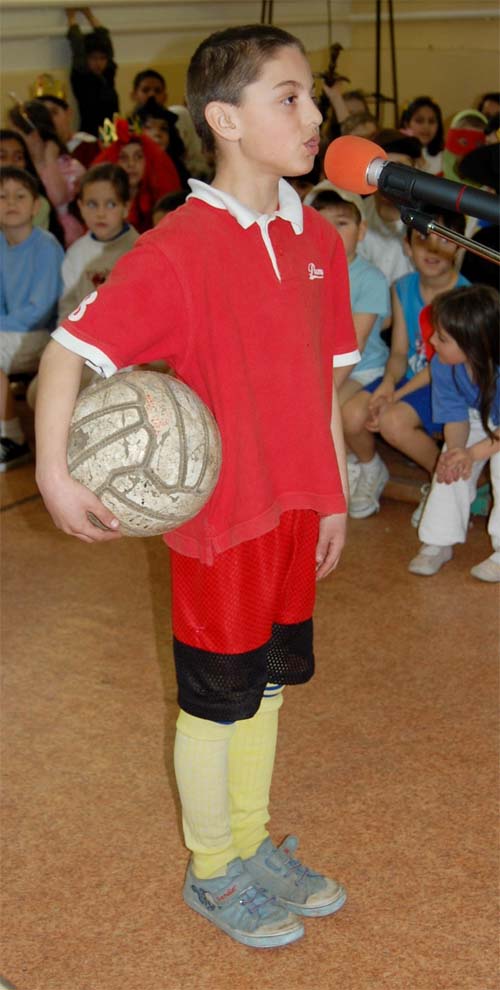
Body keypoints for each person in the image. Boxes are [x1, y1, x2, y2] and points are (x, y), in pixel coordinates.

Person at [35, 24, 359, 949]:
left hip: (297, 510)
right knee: (216, 703)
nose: (313, 113)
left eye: (312, 95)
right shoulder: (180, 248)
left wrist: (334, 495)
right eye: (288, 97)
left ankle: (251, 844)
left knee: (268, 690)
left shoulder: (319, 239)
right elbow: (67, 353)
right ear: (225, 118)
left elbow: (323, 387)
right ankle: (213, 868)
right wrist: (53, 474)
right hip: (222, 526)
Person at [343, 212, 469, 520]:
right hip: (409, 378)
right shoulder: (403, 287)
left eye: (444, 240)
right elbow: (399, 351)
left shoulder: (464, 296)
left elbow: (443, 364)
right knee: (350, 413)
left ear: (460, 247)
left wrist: (395, 396)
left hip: (448, 383)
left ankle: (443, 482)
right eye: (423, 239)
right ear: (407, 246)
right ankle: (371, 467)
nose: (433, 249)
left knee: (392, 422)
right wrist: (388, 384)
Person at [408, 284, 500, 582]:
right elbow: (455, 417)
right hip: (481, 414)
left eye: (442, 338)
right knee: (450, 461)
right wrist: (459, 452)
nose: (432, 341)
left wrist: (473, 453)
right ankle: (438, 541)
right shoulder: (443, 364)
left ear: (474, 344)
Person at [309, 185, 390, 492]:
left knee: (339, 417)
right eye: (321, 223)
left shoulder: (370, 278)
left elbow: (354, 345)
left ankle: (369, 465)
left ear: (362, 230)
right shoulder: (308, 272)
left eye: (341, 223)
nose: (331, 233)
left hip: (362, 368)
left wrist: (320, 392)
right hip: (320, 368)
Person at [0, 166, 63, 471]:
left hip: (43, 335)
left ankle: (13, 439)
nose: (10, 202)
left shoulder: (46, 246)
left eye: (20, 196)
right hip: (10, 331)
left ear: (36, 205)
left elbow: (42, 308)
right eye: (2, 196)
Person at [59, 163, 138, 318]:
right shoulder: (75, 253)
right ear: (80, 206)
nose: (100, 213)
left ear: (126, 207)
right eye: (92, 204)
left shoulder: (138, 249)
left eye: (111, 204)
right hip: (81, 330)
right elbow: (67, 305)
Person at [8, 99, 85, 247]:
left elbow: (57, 198)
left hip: (59, 234)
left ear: (35, 134)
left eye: (17, 133)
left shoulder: (66, 165)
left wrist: (47, 158)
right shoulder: (20, 164)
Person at [94, 118, 181, 233]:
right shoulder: (102, 204)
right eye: (123, 158)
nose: (131, 164)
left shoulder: (159, 202)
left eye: (138, 157)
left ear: (149, 161)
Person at [357, 129, 422, 285]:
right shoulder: (356, 214)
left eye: (399, 169)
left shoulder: (428, 220)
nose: (389, 179)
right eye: (381, 170)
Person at [130, 68, 209, 178]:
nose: (152, 95)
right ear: (134, 95)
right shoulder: (126, 128)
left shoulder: (178, 119)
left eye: (157, 91)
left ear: (165, 96)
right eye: (145, 90)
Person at [66, 6, 119, 136]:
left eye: (102, 58)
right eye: (93, 58)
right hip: (90, 134)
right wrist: (71, 18)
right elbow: (77, 46)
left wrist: (89, 15)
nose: (98, 63)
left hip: (111, 133)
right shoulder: (81, 75)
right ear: (86, 59)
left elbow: (105, 38)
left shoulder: (108, 74)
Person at [134, 99, 190, 188]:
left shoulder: (178, 170)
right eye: (149, 127)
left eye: (163, 129)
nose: (157, 133)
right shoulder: (131, 167)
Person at [36, 93, 99, 169]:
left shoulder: (89, 146)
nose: (49, 119)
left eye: (54, 112)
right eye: (43, 116)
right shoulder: (37, 153)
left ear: (68, 113)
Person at [399, 96, 444, 175]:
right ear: (406, 124)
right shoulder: (396, 154)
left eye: (432, 121)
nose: (426, 126)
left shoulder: (445, 156)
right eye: (419, 121)